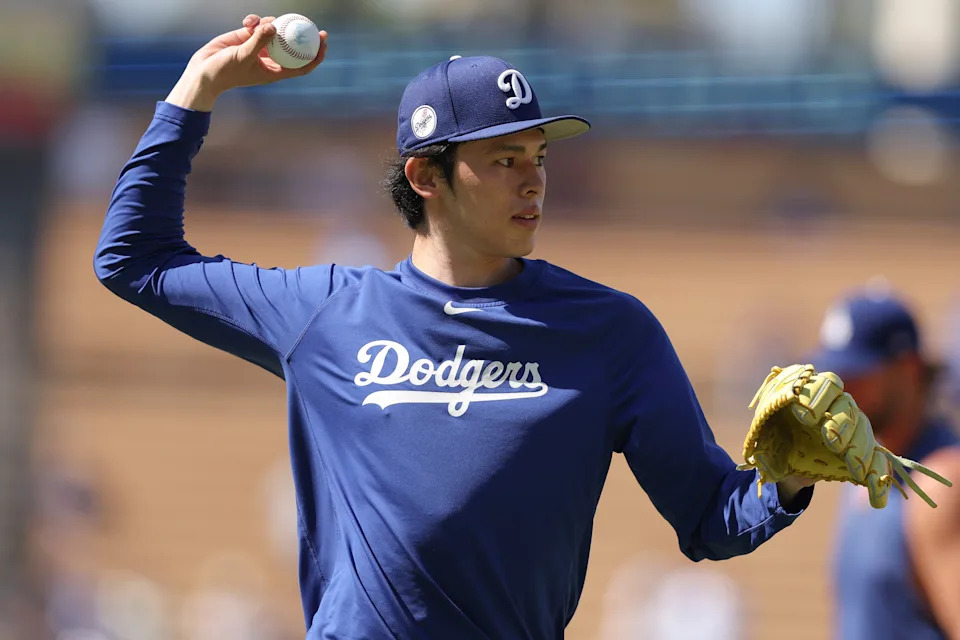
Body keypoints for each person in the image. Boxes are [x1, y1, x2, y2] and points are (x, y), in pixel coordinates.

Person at [94, 15, 817, 638]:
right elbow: (134, 260)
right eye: (504, 160)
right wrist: (197, 88)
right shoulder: (324, 313)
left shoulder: (610, 333)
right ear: (424, 176)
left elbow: (711, 515)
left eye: (537, 157)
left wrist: (784, 483)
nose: (533, 180)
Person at [812, 288, 960, 639]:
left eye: (858, 374)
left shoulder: (939, 483)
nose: (842, 390)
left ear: (908, 369)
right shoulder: (862, 472)